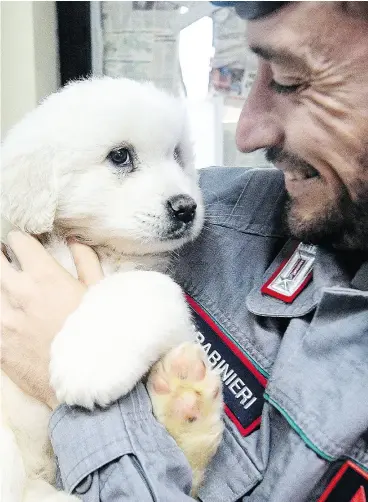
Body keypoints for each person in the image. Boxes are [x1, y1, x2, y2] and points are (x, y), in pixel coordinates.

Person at [2, 2, 368, 500]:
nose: (248, 131)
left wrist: (69, 379)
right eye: (123, 159)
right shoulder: (241, 211)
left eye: (290, 79)